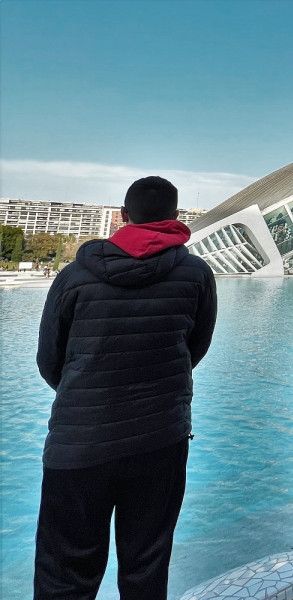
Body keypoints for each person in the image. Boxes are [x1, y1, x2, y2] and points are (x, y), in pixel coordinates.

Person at [34, 176, 217, 599]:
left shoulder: (75, 276)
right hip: (160, 442)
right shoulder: (196, 275)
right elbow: (195, 349)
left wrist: (86, 394)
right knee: (145, 570)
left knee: (64, 578)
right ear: (175, 218)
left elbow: (50, 362)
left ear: (122, 217)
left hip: (79, 447)